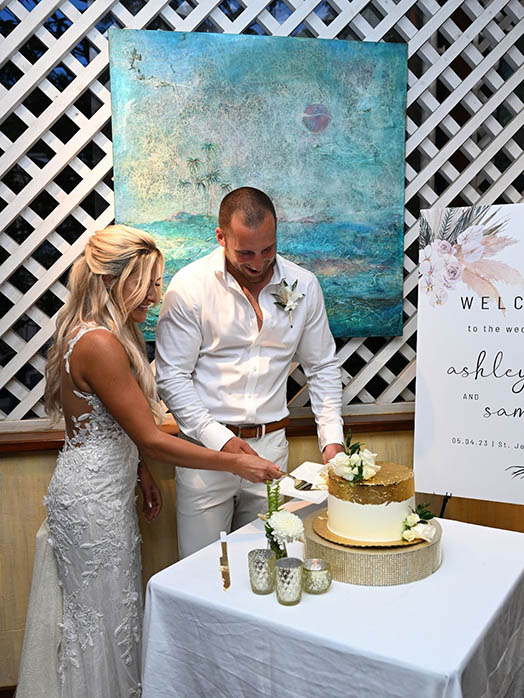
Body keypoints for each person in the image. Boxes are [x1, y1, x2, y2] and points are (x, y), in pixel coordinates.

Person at [17, 225, 280, 698]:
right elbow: (152, 438)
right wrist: (235, 464)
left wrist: (140, 474)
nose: (157, 296)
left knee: (111, 615)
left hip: (104, 490)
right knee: (101, 620)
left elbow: (114, 423)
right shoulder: (98, 343)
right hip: (91, 505)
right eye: (148, 283)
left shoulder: (112, 333)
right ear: (115, 280)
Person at [156, 187, 344, 559]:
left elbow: (321, 366)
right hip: (205, 457)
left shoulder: (303, 285)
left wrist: (332, 441)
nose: (258, 264)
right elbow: (172, 378)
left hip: (272, 449)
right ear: (221, 237)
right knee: (204, 571)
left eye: (268, 250)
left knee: (272, 564)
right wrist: (221, 442)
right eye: (245, 253)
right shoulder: (190, 288)